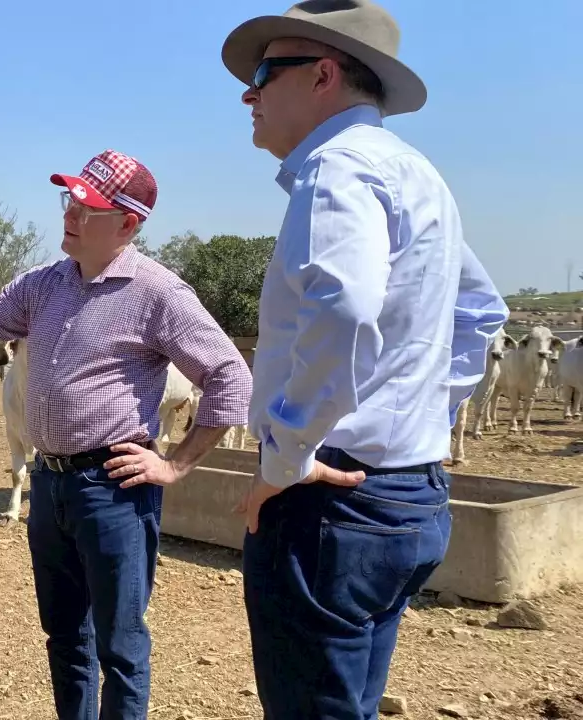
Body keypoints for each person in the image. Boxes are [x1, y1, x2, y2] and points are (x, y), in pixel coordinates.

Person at [219, 1, 509, 717]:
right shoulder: (416, 174)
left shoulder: (336, 170)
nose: (248, 94)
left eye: (263, 72)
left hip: (329, 505)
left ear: (322, 75)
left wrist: (286, 457)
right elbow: (482, 314)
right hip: (410, 496)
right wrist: (417, 421)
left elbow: (342, 310)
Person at [0, 150, 253, 719]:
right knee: (65, 637)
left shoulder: (159, 292)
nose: (71, 213)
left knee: (120, 644)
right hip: (49, 484)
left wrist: (175, 464)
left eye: (88, 207)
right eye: (70, 199)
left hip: (113, 488)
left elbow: (229, 376)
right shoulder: (44, 284)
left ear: (127, 223)